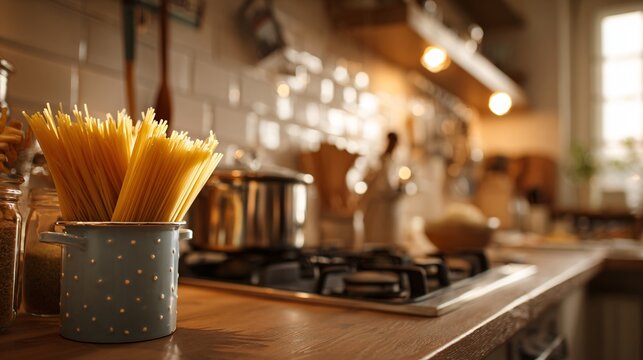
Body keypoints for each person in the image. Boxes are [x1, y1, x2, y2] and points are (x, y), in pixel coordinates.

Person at [359, 132, 406, 246]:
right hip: (377, 209)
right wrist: (399, 189)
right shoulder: (378, 162)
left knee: (385, 242)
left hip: (386, 212)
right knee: (376, 242)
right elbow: (383, 188)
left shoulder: (391, 162)